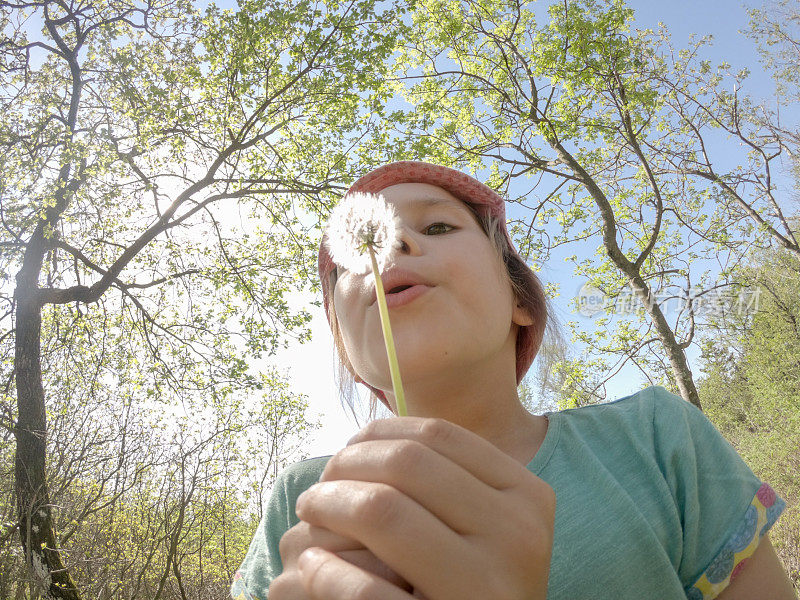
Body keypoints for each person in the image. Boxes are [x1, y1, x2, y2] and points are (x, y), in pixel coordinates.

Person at [232, 162, 795, 600]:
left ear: (520, 303)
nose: (396, 245)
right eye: (353, 259)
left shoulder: (654, 438)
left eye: (437, 225)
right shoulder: (302, 501)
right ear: (347, 349)